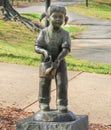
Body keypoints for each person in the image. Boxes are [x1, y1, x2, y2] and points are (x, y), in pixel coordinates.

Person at [35, 5, 71, 113]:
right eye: (55, 16)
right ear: (48, 17)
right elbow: (37, 47)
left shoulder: (65, 34)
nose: (58, 19)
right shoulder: (44, 32)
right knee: (44, 82)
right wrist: (44, 52)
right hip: (46, 62)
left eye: (61, 17)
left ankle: (62, 103)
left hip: (60, 61)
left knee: (62, 82)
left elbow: (66, 49)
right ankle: (44, 102)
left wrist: (58, 60)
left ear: (65, 18)